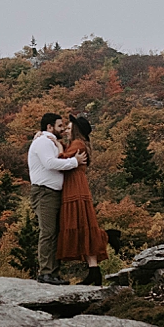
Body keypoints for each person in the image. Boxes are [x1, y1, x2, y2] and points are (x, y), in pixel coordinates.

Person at [26, 112, 86, 285]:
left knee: (55, 233)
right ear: (49, 127)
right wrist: (74, 162)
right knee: (48, 232)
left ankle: (53, 273)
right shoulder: (43, 141)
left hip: (53, 193)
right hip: (44, 192)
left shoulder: (50, 141)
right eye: (60, 126)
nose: (63, 129)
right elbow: (50, 163)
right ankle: (46, 273)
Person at [56, 116, 106, 284]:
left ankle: (94, 270)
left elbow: (61, 161)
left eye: (69, 128)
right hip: (78, 186)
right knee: (85, 225)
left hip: (75, 187)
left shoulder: (78, 144)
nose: (66, 131)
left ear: (76, 130)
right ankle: (93, 270)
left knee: (81, 224)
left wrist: (58, 147)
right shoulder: (78, 144)